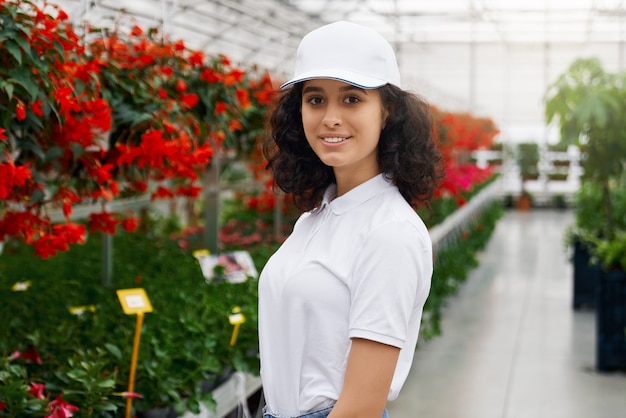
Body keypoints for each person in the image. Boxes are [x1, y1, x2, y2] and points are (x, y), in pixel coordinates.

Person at [258, 20, 444, 418]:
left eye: (352, 99)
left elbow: (360, 407)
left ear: (387, 110)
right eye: (315, 99)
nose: (330, 118)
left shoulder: (390, 233)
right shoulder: (316, 218)